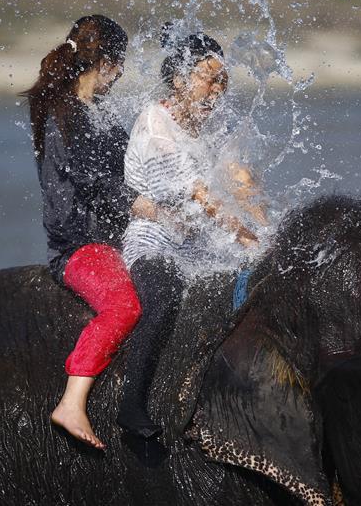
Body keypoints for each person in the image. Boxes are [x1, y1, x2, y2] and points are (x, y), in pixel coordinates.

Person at [117, 29, 268, 439]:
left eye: (223, 81)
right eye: (209, 79)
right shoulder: (155, 123)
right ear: (181, 80)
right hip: (154, 240)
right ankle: (131, 404)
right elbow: (202, 198)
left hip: (198, 242)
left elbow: (241, 182)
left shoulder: (215, 126)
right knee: (164, 296)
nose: (218, 91)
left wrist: (269, 227)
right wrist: (247, 239)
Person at [21, 15, 142, 450]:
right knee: (123, 307)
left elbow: (132, 169)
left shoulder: (100, 113)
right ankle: (71, 402)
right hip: (78, 246)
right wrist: (137, 204)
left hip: (113, 239)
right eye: (121, 62)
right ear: (105, 62)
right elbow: (91, 179)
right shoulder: (64, 113)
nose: (123, 72)